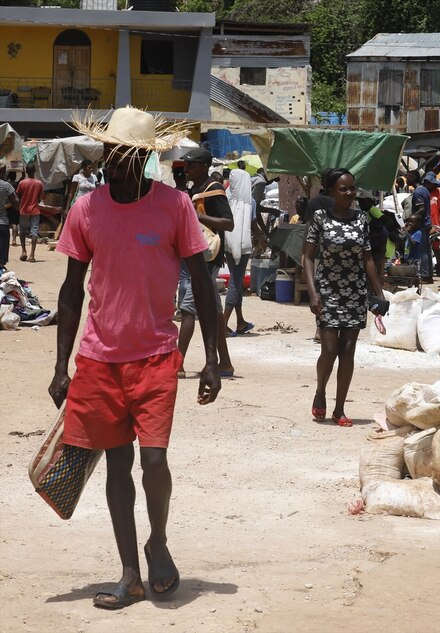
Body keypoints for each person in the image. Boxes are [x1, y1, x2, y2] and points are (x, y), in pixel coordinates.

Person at [49, 106, 221, 610]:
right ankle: (130, 573)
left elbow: (204, 283)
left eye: (125, 153)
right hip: (100, 360)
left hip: (156, 355)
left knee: (153, 460)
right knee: (116, 465)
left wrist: (212, 358)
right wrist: (62, 366)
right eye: (109, 150)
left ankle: (159, 542)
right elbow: (69, 291)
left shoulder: (173, 207)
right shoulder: (86, 209)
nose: (113, 160)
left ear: (143, 157)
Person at [301, 168, 387, 427]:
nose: (350, 193)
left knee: (348, 351)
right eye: (344, 189)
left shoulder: (361, 218)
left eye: (352, 188)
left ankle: (339, 409)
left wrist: (378, 292)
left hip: (355, 293)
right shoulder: (319, 218)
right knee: (329, 350)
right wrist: (313, 293)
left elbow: (368, 258)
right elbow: (307, 257)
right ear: (330, 191)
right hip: (327, 292)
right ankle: (320, 391)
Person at [177, 147, 235, 377]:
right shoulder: (196, 188)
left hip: (205, 259)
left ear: (203, 166)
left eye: (190, 165)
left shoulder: (214, 189)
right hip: (197, 256)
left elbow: (228, 223)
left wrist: (197, 216)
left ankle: (178, 365)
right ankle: (225, 363)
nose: (187, 169)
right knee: (214, 313)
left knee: (189, 309)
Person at [223, 160, 254, 336]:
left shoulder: (228, 199)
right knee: (236, 282)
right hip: (242, 247)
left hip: (229, 244)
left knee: (237, 280)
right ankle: (223, 322)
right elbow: (254, 224)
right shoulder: (249, 203)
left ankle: (240, 321)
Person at [412, 172, 440, 282]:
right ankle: (428, 275)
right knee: (427, 251)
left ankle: (425, 275)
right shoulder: (425, 191)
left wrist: (411, 218)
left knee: (423, 251)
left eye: (409, 176)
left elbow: (421, 210)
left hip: (422, 224)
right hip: (427, 223)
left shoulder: (419, 191)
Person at [16, 163, 44, 263]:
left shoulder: (22, 183)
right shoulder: (39, 183)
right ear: (35, 171)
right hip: (35, 210)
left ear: (27, 172)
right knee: (34, 232)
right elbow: (40, 197)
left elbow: (17, 196)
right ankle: (32, 255)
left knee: (22, 231)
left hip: (23, 210)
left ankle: (23, 251)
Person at [0, 162, 19, 270]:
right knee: (1, 260)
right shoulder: (6, 185)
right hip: (2, 223)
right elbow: (16, 204)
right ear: (2, 172)